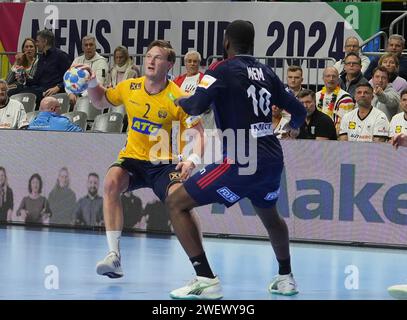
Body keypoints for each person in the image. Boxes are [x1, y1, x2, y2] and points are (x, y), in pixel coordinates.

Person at [166, 20, 306, 299]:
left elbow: (196, 105)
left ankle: (205, 279)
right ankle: (286, 277)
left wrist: (174, 98)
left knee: (175, 202)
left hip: (241, 160)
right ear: (251, 44)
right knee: (270, 214)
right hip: (271, 159)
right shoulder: (267, 72)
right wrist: (292, 128)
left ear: (226, 42)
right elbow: (299, 110)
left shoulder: (220, 68)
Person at [83, 39, 205, 279]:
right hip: (133, 160)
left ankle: (202, 268)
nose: (151, 60)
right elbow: (99, 101)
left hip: (164, 164)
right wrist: (90, 81)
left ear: (169, 65)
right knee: (111, 183)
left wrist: (192, 159)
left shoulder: (178, 97)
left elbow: (199, 133)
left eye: (158, 57)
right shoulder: (130, 87)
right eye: (148, 56)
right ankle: (114, 256)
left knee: (181, 201)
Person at [7, 29, 71, 105]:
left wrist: (58, 87)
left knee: (23, 95)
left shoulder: (60, 55)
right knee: (10, 92)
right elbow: (35, 80)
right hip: (38, 89)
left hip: (50, 91)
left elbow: (70, 77)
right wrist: (24, 77)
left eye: (37, 41)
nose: (36, 44)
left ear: (45, 41)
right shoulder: (42, 57)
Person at [68, 35, 110, 106]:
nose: (88, 47)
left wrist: (80, 96)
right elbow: (69, 79)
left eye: (91, 45)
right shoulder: (77, 60)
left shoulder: (101, 62)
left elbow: (98, 84)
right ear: (82, 48)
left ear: (95, 47)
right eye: (86, 45)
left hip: (95, 99)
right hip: (77, 98)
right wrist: (70, 93)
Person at [316, 67, 354, 135]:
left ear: (338, 79)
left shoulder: (345, 98)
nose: (331, 79)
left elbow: (345, 123)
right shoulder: (316, 95)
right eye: (328, 76)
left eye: (334, 76)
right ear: (323, 78)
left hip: (335, 138)